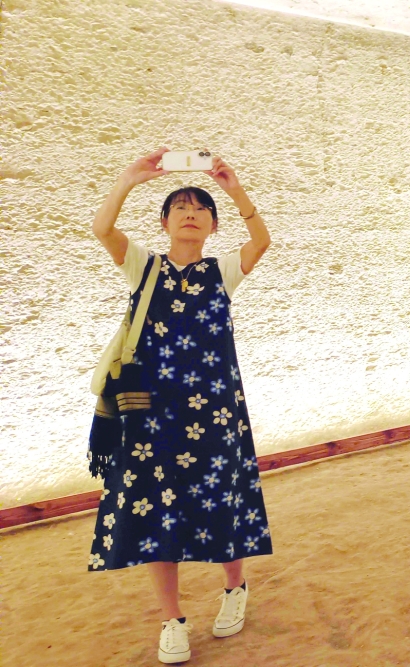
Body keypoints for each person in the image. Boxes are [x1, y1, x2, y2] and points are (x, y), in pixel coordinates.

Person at [88, 147, 273, 664]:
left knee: (223, 498)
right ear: (165, 222)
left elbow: (262, 241)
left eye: (200, 208)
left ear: (213, 225)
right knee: (155, 510)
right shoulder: (144, 268)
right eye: (180, 207)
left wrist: (233, 189)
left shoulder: (223, 271)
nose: (190, 213)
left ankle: (234, 587)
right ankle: (172, 620)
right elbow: (103, 229)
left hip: (215, 412)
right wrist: (129, 179)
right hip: (151, 414)